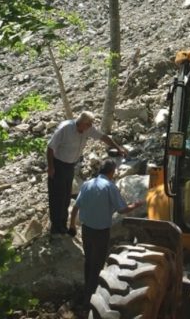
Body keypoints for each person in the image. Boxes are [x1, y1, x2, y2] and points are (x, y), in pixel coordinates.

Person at [69, 158, 144, 306]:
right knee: (97, 264)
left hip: (86, 229)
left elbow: (75, 208)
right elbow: (122, 209)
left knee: (89, 261)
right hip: (100, 232)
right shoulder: (110, 187)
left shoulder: (87, 184)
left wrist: (72, 225)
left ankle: (87, 292)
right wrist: (136, 204)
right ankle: (91, 299)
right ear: (111, 172)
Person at [46, 111, 127, 236]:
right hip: (58, 164)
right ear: (82, 123)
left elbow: (103, 137)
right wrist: (51, 167)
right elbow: (50, 148)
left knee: (66, 195)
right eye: (89, 124)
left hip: (70, 165)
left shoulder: (87, 129)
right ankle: (56, 227)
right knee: (57, 195)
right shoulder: (65, 128)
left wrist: (117, 147)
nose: (90, 127)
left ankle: (63, 224)